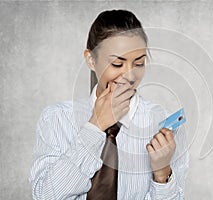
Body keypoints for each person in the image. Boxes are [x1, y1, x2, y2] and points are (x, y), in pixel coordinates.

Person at [29, 9, 189, 200]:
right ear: (90, 59)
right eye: (117, 64)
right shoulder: (56, 118)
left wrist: (162, 173)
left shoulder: (163, 125)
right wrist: (95, 127)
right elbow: (45, 196)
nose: (130, 76)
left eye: (139, 63)